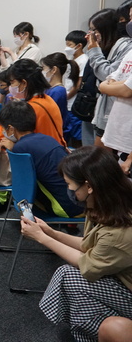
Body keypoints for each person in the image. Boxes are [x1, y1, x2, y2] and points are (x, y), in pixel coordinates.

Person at [21, 146, 132, 342]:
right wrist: (51, 233)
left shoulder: (121, 229)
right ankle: (83, 330)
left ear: (89, 186)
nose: (69, 190)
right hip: (120, 278)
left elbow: (88, 265)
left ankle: (85, 331)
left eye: (71, 185)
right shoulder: (106, 204)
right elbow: (90, 245)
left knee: (70, 276)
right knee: (70, 278)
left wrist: (42, 238)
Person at [0, 101, 84, 218]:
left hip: (63, 207)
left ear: (11, 129)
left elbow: (23, 185)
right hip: (78, 201)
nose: (3, 132)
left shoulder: (20, 147)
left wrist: (13, 150)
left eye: (3, 129)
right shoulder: (46, 138)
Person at [86, 8, 132, 146]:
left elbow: (114, 81)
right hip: (104, 112)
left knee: (104, 163)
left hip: (118, 118)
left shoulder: (125, 46)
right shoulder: (108, 47)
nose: (92, 35)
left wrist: (94, 50)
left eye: (95, 30)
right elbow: (110, 78)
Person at [41, 53, 81, 145]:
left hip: (56, 135)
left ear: (54, 69)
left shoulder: (58, 91)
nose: (42, 71)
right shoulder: (49, 89)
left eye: (44, 68)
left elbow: (48, 114)